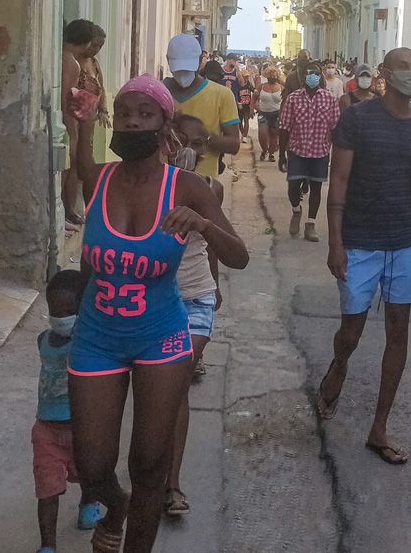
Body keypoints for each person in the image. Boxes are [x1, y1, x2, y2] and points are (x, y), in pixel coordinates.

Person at [66, 75, 249, 552]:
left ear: (164, 124)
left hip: (161, 336)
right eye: (124, 111)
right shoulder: (98, 179)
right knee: (92, 467)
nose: (131, 120)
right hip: (96, 336)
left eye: (144, 113)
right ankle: (115, 506)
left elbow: (240, 256)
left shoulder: (186, 186)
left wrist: (204, 224)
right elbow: (79, 152)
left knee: (148, 464)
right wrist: (83, 118)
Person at [317, 47, 411, 465]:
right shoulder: (357, 119)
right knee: (351, 332)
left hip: (405, 243)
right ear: (385, 74)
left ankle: (379, 427)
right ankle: (339, 365)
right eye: (403, 67)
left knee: (398, 334)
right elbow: (339, 183)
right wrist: (335, 242)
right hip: (359, 242)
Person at [164, 114, 224, 518]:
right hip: (152, 301)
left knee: (177, 382)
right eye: (174, 140)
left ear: (200, 150)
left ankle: (170, 484)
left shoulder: (209, 189)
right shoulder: (144, 187)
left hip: (195, 298)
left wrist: (215, 284)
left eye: (190, 142)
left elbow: (218, 245)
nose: (181, 148)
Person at [34, 270, 106, 553]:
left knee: (89, 472)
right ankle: (47, 546)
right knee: (47, 488)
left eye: (68, 310)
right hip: (47, 430)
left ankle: (88, 502)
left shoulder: (87, 341)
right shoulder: (42, 340)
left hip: (82, 425)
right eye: (55, 310)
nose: (61, 316)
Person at [163, 35, 241, 180]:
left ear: (200, 61)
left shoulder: (222, 95)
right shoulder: (159, 93)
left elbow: (234, 145)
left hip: (204, 188)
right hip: (163, 187)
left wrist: (204, 138)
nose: (182, 75)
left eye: (187, 69)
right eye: (178, 69)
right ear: (168, 61)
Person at [278, 70, 340, 242]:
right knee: (293, 186)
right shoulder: (293, 98)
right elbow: (284, 127)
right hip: (297, 151)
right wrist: (281, 154)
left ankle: (310, 224)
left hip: (320, 152)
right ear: (304, 77)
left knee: (316, 189)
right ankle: (296, 210)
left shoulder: (330, 99)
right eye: (309, 73)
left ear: (319, 77)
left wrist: (335, 154)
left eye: (315, 73)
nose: (313, 77)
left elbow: (335, 127)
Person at [61, 19, 105, 227]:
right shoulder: (71, 62)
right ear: (86, 42)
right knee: (71, 166)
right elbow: (66, 99)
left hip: (75, 121)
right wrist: (73, 132)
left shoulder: (71, 59)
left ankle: (68, 211)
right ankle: (66, 211)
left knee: (72, 167)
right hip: (70, 122)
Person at [255, 66, 283, 161]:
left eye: (275, 76)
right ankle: (264, 150)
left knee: (274, 135)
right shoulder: (261, 87)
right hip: (263, 113)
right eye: (270, 76)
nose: (273, 78)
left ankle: (271, 154)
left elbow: (286, 100)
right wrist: (252, 108)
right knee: (262, 133)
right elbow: (254, 97)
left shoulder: (281, 88)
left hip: (276, 114)